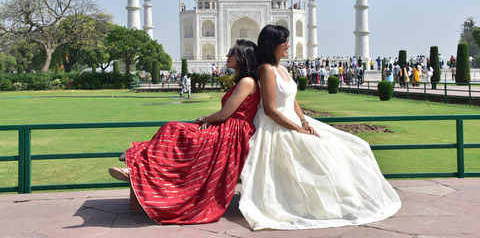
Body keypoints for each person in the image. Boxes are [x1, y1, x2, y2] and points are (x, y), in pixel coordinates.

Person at [239, 25, 401, 231]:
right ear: (273, 45)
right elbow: (270, 109)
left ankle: (345, 199)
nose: (288, 45)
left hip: (292, 120)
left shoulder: (282, 68)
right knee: (321, 149)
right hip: (275, 125)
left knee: (349, 144)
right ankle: (332, 202)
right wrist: (298, 130)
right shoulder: (266, 70)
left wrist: (304, 121)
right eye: (284, 42)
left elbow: (292, 100)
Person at [109, 40, 261, 225]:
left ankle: (135, 165)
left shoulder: (247, 81)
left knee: (174, 129)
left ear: (243, 56)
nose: (228, 55)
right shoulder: (244, 80)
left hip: (232, 132)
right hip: (227, 128)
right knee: (173, 129)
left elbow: (224, 114)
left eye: (232, 52)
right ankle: (135, 164)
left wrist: (203, 118)